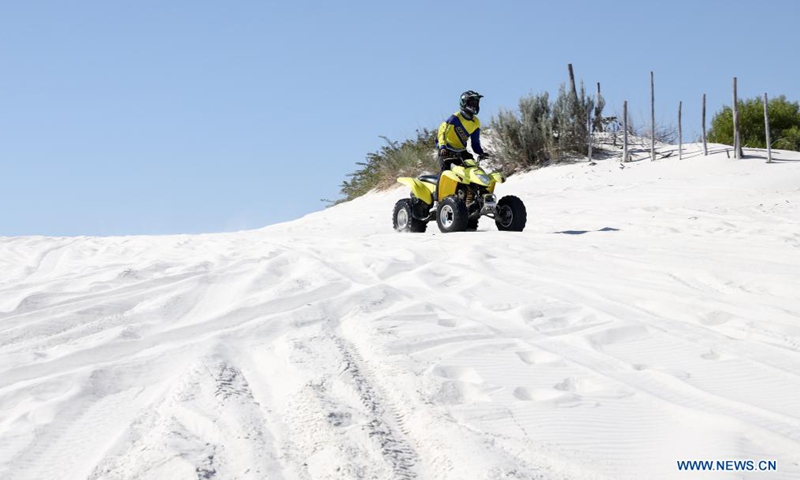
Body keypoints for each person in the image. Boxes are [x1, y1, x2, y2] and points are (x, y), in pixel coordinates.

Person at [436, 90, 487, 172]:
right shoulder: (455, 118)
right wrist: (442, 146)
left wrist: (480, 152)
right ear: (464, 103)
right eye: (472, 103)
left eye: (476, 103)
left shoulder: (476, 122)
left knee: (474, 170)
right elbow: (442, 131)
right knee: (445, 173)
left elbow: (475, 143)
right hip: (446, 150)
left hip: (461, 151)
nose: (475, 105)